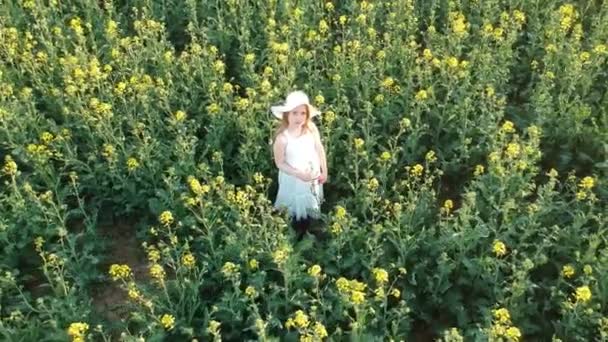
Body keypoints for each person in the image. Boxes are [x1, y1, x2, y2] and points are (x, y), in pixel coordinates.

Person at [271, 90, 328, 239]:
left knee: (310, 201)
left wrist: (324, 171)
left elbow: (319, 148)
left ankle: (309, 231)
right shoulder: (282, 138)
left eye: (303, 113)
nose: (299, 117)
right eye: (294, 113)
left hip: (311, 176)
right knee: (294, 208)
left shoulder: (311, 129)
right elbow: (280, 163)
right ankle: (294, 236)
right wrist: (298, 174)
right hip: (293, 178)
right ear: (287, 114)